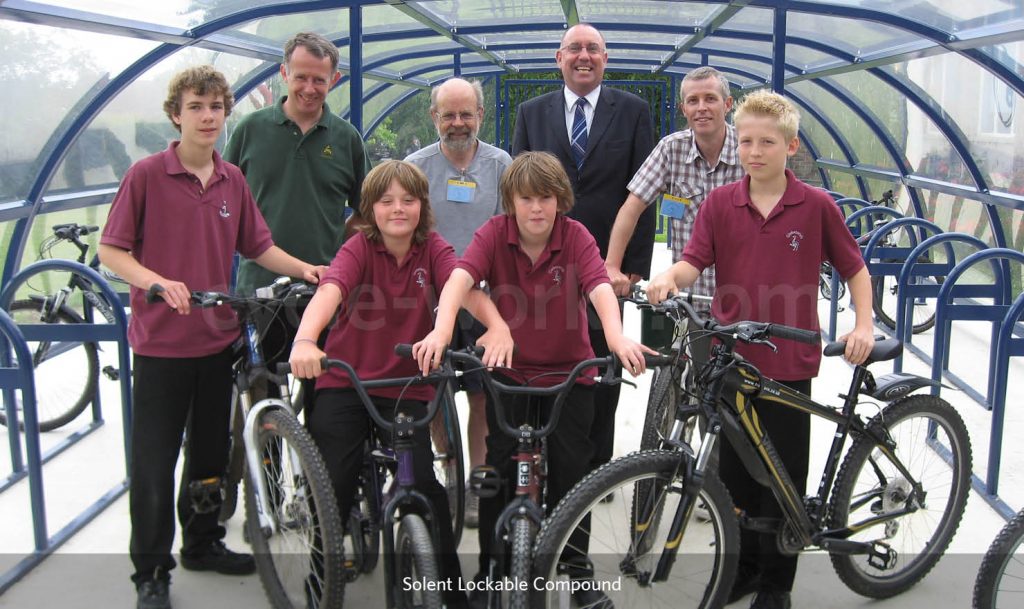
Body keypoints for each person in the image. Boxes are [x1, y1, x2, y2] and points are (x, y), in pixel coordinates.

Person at [98, 65, 325, 609]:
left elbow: (257, 246)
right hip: (161, 347)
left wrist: (308, 270)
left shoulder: (231, 180)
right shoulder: (147, 176)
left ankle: (201, 544)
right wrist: (156, 283)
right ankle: (151, 572)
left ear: (226, 115)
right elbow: (112, 252)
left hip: (216, 339)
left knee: (207, 454)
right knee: (154, 463)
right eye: (196, 107)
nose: (207, 117)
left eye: (216, 107)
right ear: (176, 115)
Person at [646, 89, 875, 609]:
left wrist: (863, 323)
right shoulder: (720, 203)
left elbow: (855, 270)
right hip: (731, 361)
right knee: (735, 481)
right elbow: (692, 261)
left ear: (790, 146)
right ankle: (745, 569)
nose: (754, 151)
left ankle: (777, 583)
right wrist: (669, 279)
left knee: (782, 477)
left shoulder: (815, 206)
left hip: (789, 362)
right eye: (746, 140)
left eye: (767, 142)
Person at [414, 151, 655, 609]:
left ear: (560, 200)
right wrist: (442, 330)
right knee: (497, 471)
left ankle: (577, 570)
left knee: (573, 474)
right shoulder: (494, 233)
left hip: (570, 375)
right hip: (510, 374)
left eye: (546, 197)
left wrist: (617, 336)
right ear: (510, 201)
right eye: (526, 198)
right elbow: (460, 280)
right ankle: (490, 567)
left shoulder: (575, 235)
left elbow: (599, 286)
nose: (537, 208)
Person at [288, 160, 506, 609]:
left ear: (422, 206)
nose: (398, 209)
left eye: (408, 200)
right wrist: (307, 339)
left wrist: (498, 326)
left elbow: (463, 286)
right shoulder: (358, 249)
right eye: (386, 201)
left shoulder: (433, 248)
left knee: (425, 487)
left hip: (406, 385)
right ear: (370, 210)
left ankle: (450, 591)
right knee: (333, 483)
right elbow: (330, 291)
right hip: (346, 381)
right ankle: (320, 573)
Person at [512, 22, 655, 477]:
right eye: (574, 48)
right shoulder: (531, 113)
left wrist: (632, 270)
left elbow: (644, 195)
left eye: (593, 48)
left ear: (605, 59)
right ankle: (540, 457)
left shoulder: (632, 111)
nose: (584, 56)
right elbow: (516, 192)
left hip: (607, 269)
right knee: (541, 358)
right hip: (541, 266)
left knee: (602, 363)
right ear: (559, 58)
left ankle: (595, 468)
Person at [223, 31, 369, 388]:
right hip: (259, 287)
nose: (308, 87)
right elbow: (222, 200)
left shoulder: (346, 137)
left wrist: (343, 245)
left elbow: (367, 209)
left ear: (334, 80)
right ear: (283, 73)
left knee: (325, 394)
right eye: (300, 76)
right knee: (263, 393)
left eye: (319, 79)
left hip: (326, 288)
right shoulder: (250, 130)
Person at [405, 77, 512, 529]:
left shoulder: (500, 164)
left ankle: (477, 480)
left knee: (483, 396)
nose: (457, 122)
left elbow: (510, 229)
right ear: (434, 117)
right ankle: (449, 474)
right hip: (429, 299)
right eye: (447, 114)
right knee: (434, 394)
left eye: (465, 113)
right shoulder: (415, 167)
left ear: (480, 116)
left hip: (485, 296)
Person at [606, 65, 744, 365]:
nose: (701, 107)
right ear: (683, 108)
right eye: (693, 101)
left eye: (711, 98)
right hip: (692, 297)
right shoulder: (671, 149)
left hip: (743, 298)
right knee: (695, 379)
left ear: (728, 104)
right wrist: (612, 266)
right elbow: (632, 207)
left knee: (740, 388)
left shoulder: (749, 149)